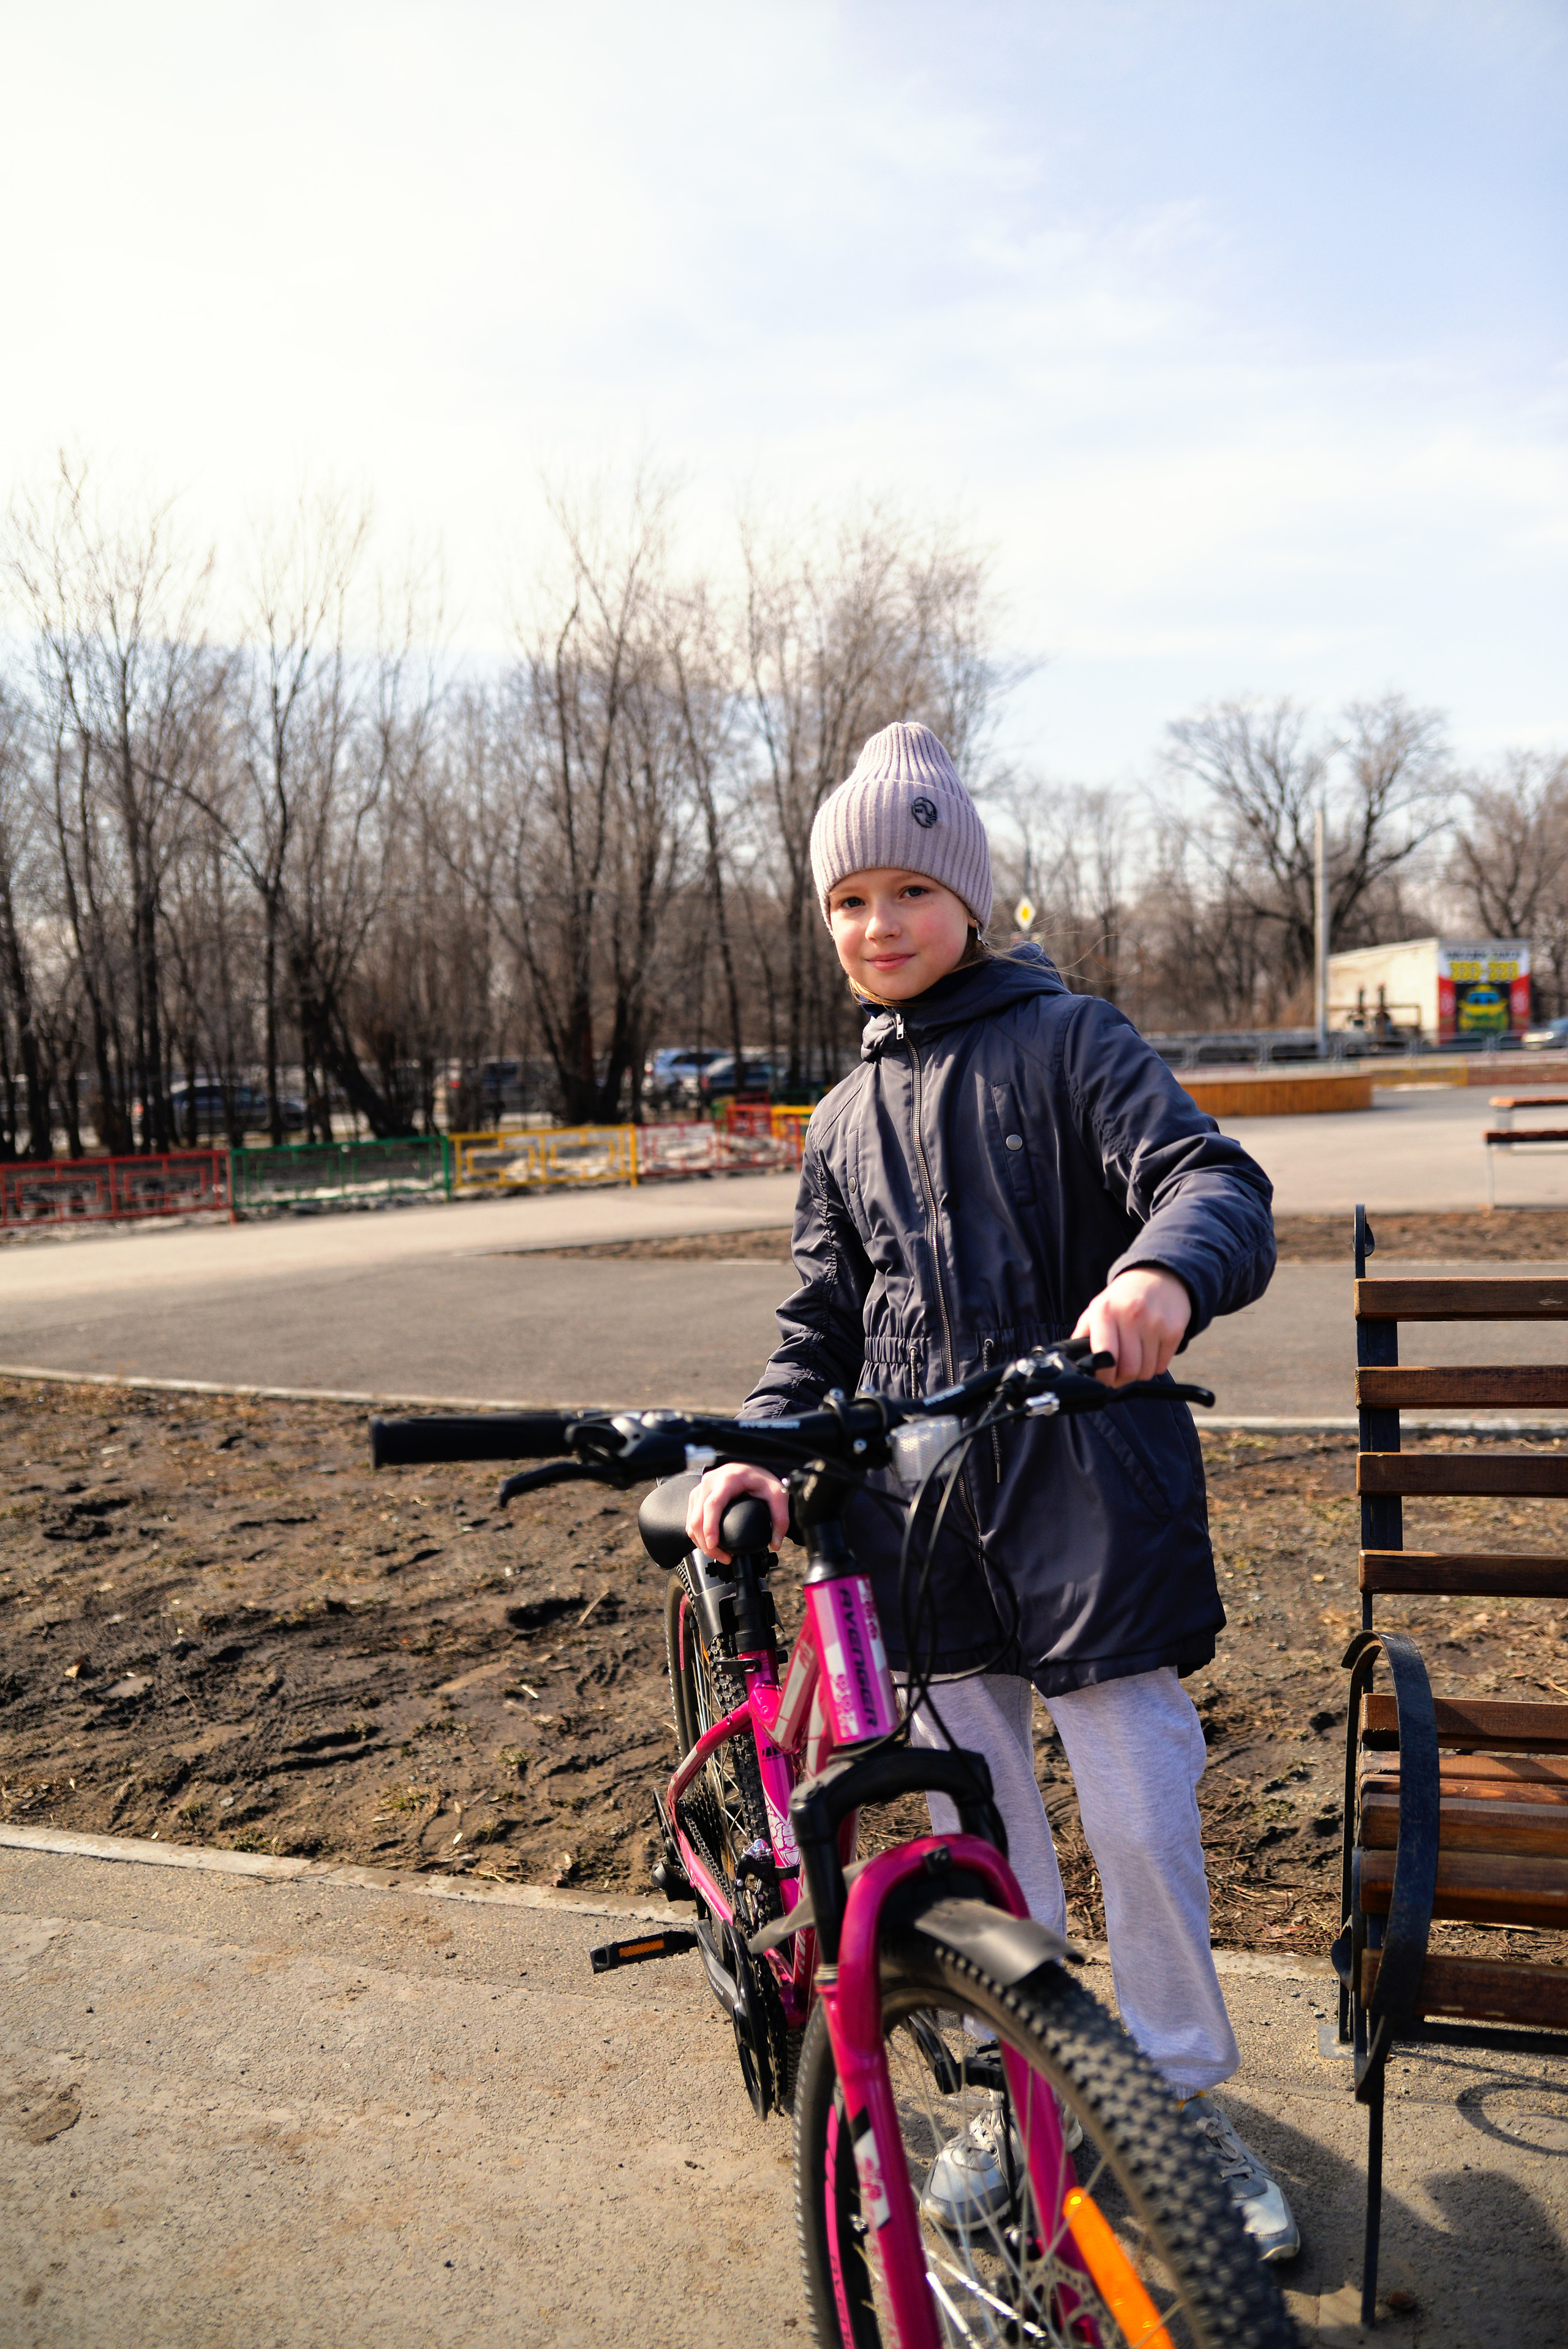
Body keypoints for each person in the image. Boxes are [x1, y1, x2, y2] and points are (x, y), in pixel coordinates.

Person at [685, 719, 1299, 2262]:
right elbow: (815, 1332)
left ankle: (1172, 2098)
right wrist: (760, 1444)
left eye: (905, 889)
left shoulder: (1071, 1039)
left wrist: (1163, 1273)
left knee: (1139, 1803)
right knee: (982, 1827)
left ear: (969, 897)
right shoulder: (836, 1122)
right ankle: (1044, 2100)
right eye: (844, 901)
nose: (874, 926)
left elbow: (1209, 1177)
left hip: (1091, 1499)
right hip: (925, 1521)